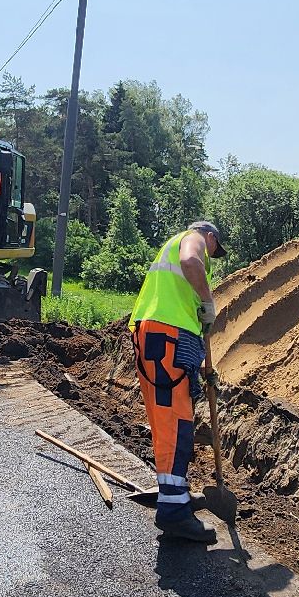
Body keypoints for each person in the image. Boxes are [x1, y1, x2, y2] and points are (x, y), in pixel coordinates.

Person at [128, 220, 228, 543]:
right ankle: (173, 511)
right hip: (165, 339)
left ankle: (177, 494)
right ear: (210, 236)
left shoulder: (170, 248)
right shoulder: (193, 240)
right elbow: (191, 261)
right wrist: (207, 301)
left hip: (159, 340)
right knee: (175, 425)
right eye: (215, 248)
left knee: (173, 421)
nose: (213, 254)